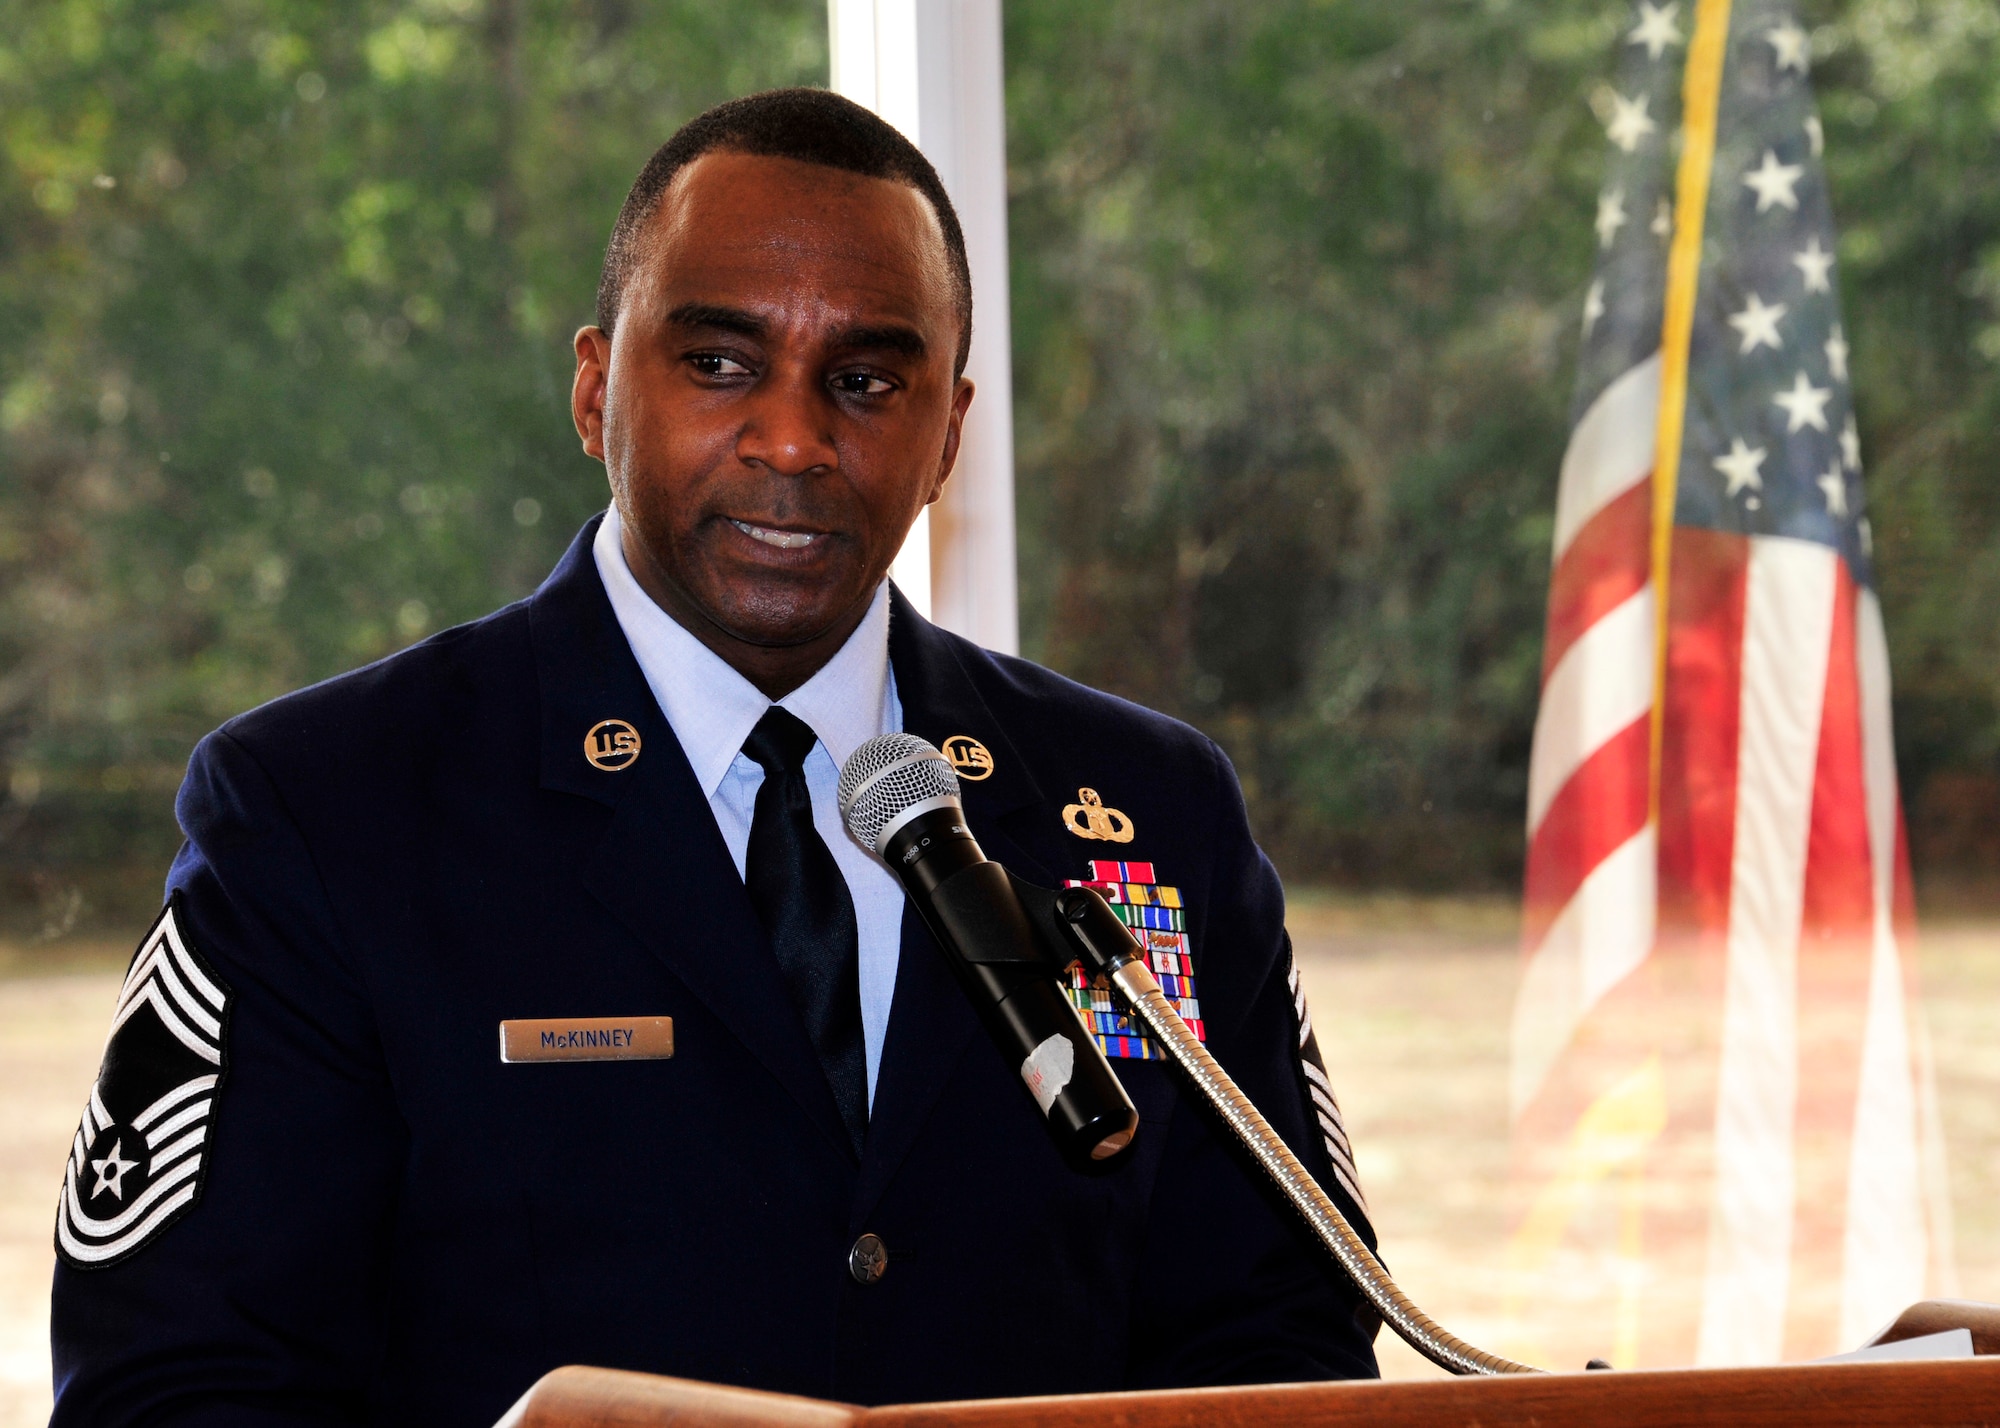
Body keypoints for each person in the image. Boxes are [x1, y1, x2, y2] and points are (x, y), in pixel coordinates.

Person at [49, 88, 1379, 1427]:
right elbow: (178, 1390)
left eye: (866, 383)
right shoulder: (329, 811)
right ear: (594, 390)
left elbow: (1287, 1348)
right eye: (720, 364)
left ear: (949, 436)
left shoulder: (1146, 814)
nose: (794, 439)